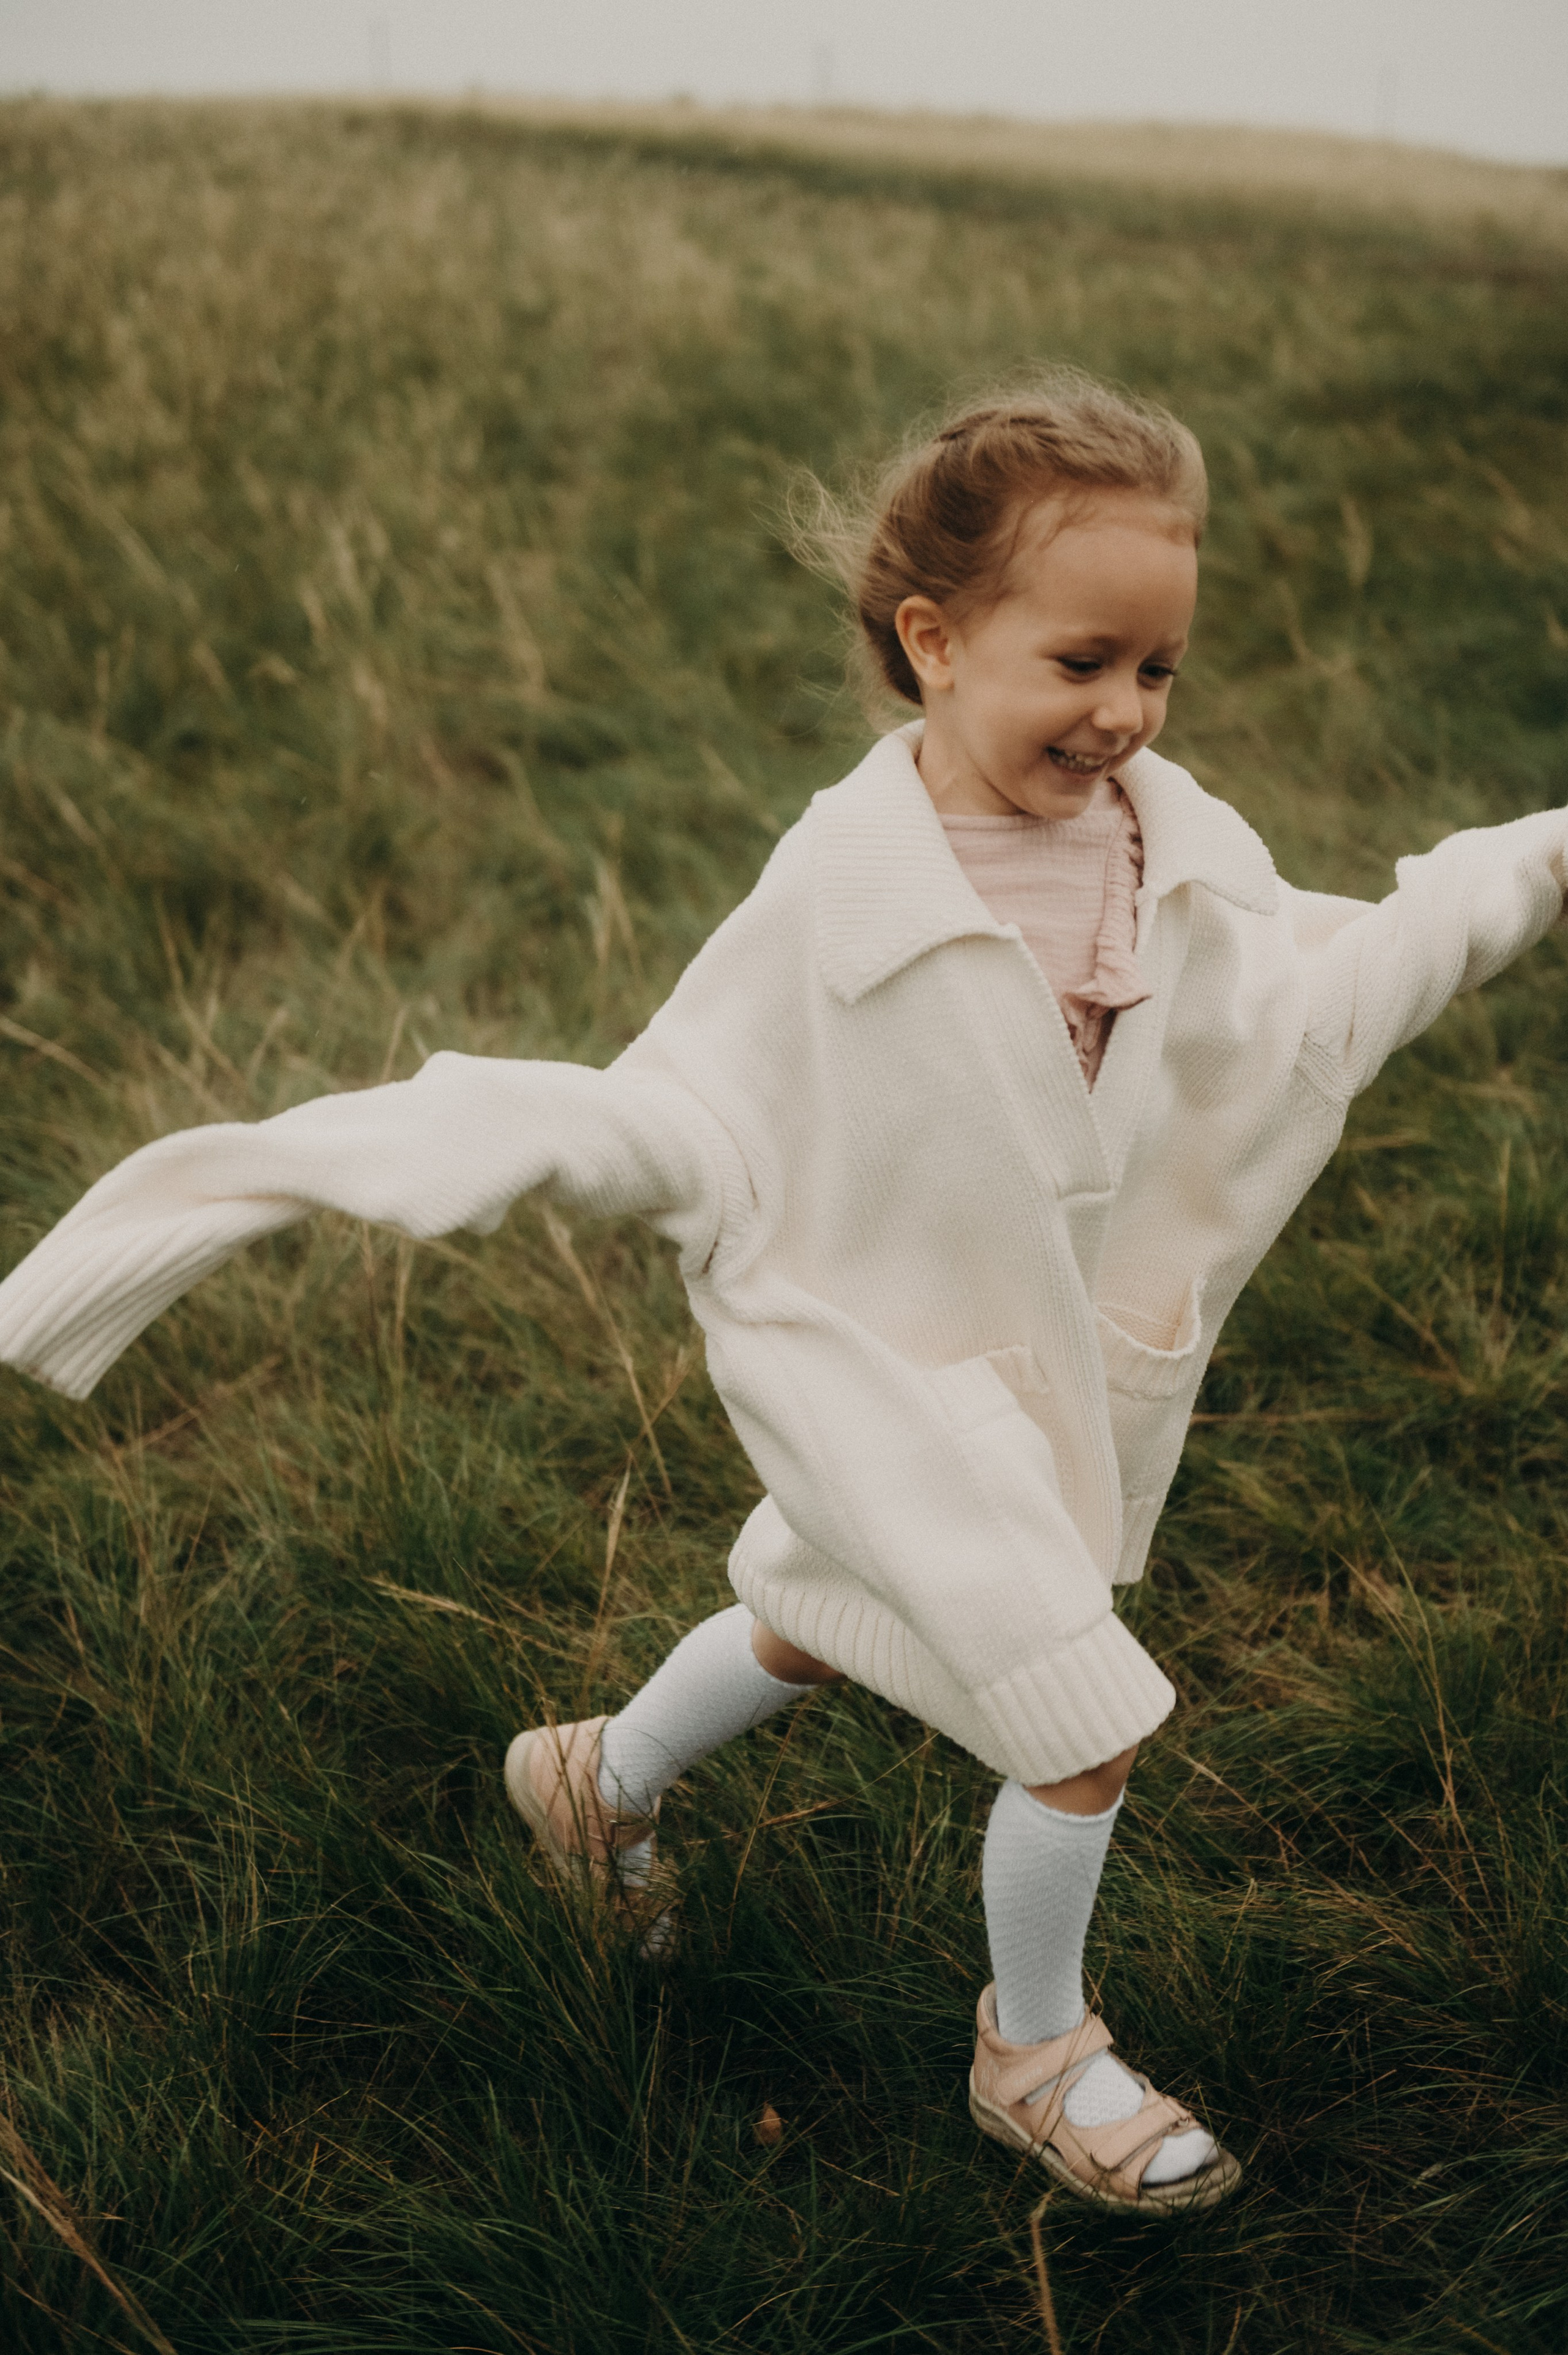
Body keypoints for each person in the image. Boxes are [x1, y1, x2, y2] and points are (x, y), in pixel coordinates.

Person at [2, 369, 1564, 2217]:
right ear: (934, 639)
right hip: (881, 1368)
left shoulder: (1163, 842)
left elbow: (1306, 992)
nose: (1126, 714)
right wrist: (508, 1140)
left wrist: (1525, 865)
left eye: (1161, 670)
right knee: (1086, 1720)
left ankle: (599, 1776)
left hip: (1042, 1354)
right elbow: (690, 1097)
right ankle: (1037, 2049)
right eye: (1082, 662)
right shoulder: (842, 886)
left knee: (821, 1613)